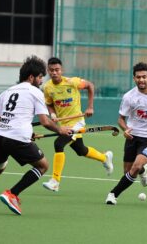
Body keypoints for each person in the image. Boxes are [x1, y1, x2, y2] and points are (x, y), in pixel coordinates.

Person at [0, 56, 72, 215]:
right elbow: (45, 122)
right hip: (16, 136)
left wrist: (28, 132)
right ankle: (12, 194)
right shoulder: (35, 92)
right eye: (40, 77)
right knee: (43, 166)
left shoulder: (7, 91)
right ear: (31, 77)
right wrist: (61, 130)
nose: (41, 81)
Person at [105, 62, 147, 205]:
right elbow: (120, 119)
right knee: (129, 171)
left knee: (135, 167)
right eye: (138, 77)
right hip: (133, 137)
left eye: (144, 77)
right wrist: (125, 129)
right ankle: (143, 171)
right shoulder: (129, 97)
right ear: (134, 78)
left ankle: (113, 194)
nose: (141, 80)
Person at [42, 57, 113, 192]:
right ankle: (105, 158)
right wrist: (52, 115)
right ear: (48, 71)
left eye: (57, 70)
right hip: (63, 124)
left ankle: (55, 181)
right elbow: (49, 103)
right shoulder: (47, 87)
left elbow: (90, 85)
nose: (54, 73)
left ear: (61, 70)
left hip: (77, 122)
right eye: (51, 70)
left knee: (58, 144)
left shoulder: (72, 82)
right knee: (81, 150)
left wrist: (90, 107)